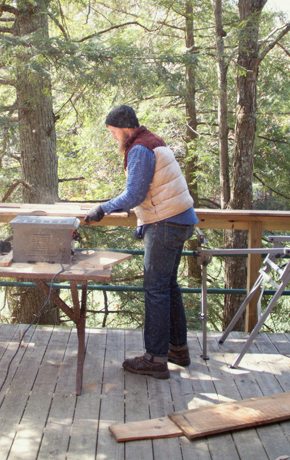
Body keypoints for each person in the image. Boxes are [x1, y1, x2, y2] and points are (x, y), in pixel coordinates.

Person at [84, 104, 198, 379]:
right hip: (180, 220)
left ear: (124, 129)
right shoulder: (153, 142)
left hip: (165, 223)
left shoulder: (139, 149)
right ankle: (177, 350)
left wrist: (103, 208)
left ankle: (155, 359)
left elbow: (134, 193)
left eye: (112, 132)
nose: (113, 137)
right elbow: (146, 189)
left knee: (155, 289)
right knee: (168, 286)